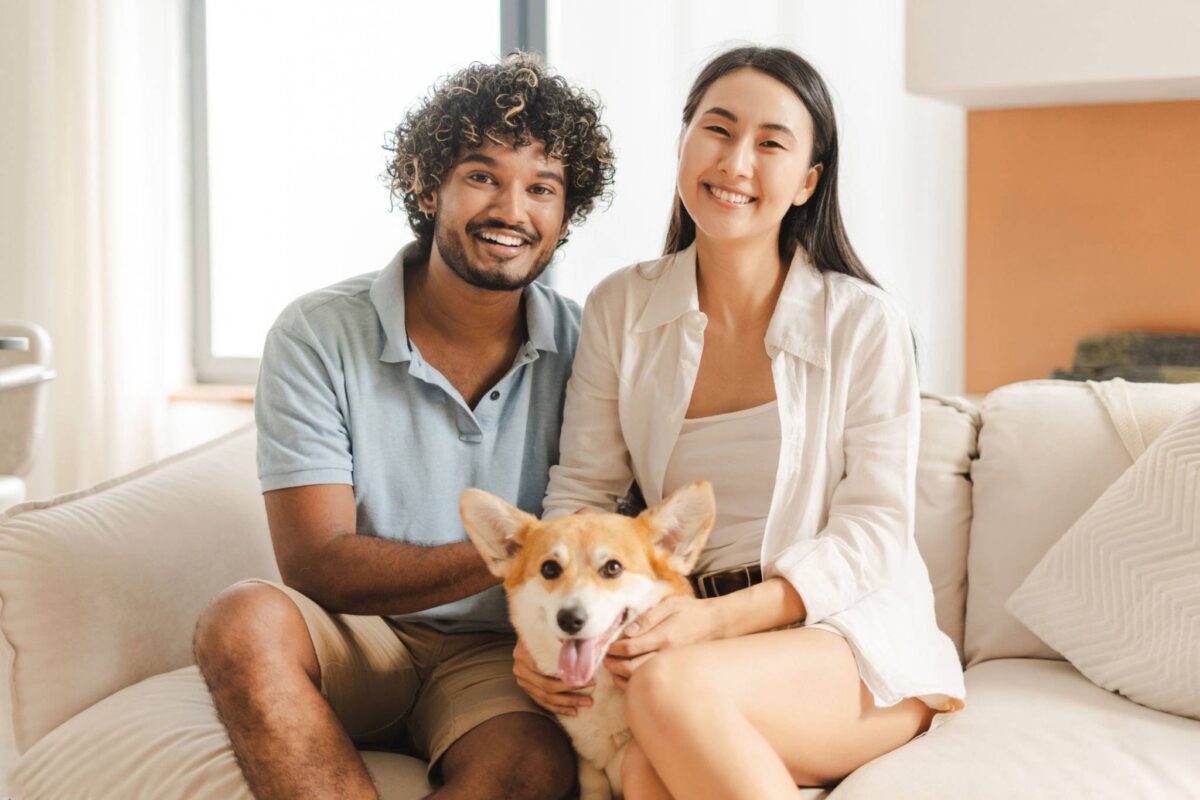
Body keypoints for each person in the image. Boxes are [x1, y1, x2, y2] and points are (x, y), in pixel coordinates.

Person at [515, 46, 966, 798]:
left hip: (848, 638)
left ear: (809, 181)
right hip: (686, 639)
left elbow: (874, 530)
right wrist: (544, 625)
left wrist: (719, 624)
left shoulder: (863, 321)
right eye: (717, 131)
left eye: (771, 143)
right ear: (684, 143)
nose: (736, 162)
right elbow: (583, 496)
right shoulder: (620, 307)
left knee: (662, 692)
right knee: (636, 768)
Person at [193, 53, 614, 800]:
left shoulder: (594, 349)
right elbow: (318, 564)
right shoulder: (318, 333)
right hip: (355, 632)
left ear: (565, 215)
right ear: (428, 185)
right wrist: (518, 551)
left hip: (496, 652)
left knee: (531, 769)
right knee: (240, 622)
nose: (512, 211)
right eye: (482, 175)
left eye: (541, 188)